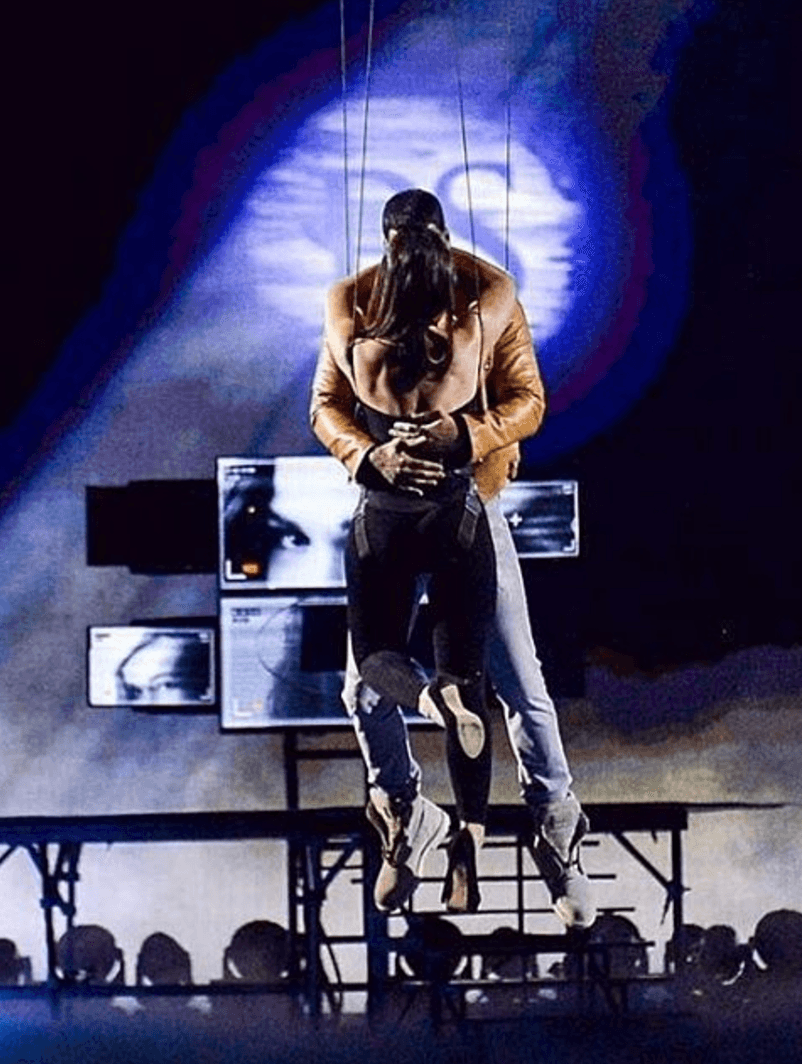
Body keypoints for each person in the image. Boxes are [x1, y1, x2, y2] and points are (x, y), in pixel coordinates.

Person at [311, 189, 593, 927]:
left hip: (473, 500)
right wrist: (370, 456)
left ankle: (556, 826)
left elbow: (528, 399)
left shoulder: (488, 295)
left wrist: (463, 437)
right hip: (389, 499)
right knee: (363, 689)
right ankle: (405, 810)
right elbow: (326, 406)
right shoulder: (356, 301)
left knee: (517, 680)